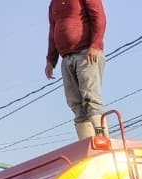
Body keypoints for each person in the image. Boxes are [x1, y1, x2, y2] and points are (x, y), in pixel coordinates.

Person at [45, 0, 106, 140]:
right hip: (66, 57)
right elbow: (52, 30)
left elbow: (99, 17)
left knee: (90, 99)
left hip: (86, 53)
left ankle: (102, 140)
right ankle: (86, 142)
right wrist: (50, 60)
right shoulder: (53, 3)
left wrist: (95, 45)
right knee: (75, 104)